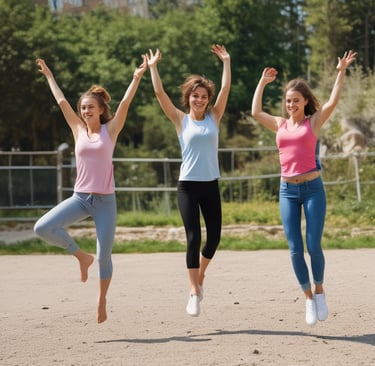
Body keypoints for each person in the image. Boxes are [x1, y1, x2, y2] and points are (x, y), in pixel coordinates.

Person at [34, 56, 147, 323]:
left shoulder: (111, 129)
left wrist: (137, 77)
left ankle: (101, 300)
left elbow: (126, 103)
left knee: (104, 255)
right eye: (82, 108)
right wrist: (49, 75)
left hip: (106, 202)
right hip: (80, 199)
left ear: (100, 109)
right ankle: (80, 256)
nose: (85, 111)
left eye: (90, 107)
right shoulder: (77, 129)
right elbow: (61, 100)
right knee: (42, 228)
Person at [251, 50, 357, 325]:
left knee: (313, 245)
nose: (290, 105)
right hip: (287, 190)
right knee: (294, 249)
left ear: (305, 101)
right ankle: (308, 298)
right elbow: (255, 111)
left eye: (295, 100)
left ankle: (320, 290)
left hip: (312, 189)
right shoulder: (279, 124)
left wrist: (341, 70)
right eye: (287, 101)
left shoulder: (314, 122)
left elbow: (333, 101)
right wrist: (262, 83)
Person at [146, 45, 231, 317]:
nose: (200, 100)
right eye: (195, 96)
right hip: (188, 186)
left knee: (214, 239)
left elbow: (226, 88)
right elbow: (160, 94)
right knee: (193, 237)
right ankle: (193, 291)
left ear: (208, 99)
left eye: (204, 96)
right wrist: (153, 68)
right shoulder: (180, 120)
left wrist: (226, 62)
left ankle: (200, 277)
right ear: (189, 97)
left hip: (210, 184)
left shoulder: (214, 117)